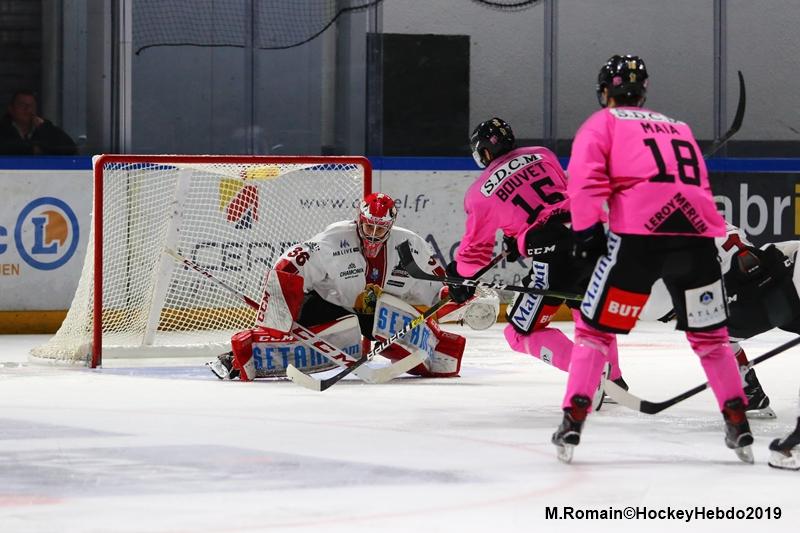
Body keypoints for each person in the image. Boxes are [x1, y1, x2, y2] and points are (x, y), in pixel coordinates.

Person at [554, 54, 752, 463]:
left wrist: (586, 234)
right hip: (696, 238)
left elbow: (585, 182)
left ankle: (573, 419)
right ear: (643, 92)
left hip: (638, 239)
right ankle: (737, 419)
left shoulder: (602, 123)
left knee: (594, 332)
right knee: (712, 339)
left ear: (605, 91)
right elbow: (699, 186)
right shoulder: (678, 126)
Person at [208, 191, 499, 381]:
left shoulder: (411, 246)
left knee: (440, 361)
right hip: (329, 307)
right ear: (359, 220)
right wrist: (278, 319)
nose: (373, 234)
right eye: (369, 226)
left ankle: (434, 350)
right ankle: (237, 358)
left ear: (390, 226)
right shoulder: (333, 240)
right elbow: (288, 266)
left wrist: (463, 294)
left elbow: (439, 291)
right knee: (320, 335)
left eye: (380, 228)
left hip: (382, 316)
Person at [449, 117, 624, 410]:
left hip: (555, 253)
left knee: (518, 333)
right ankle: (614, 380)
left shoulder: (479, 194)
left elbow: (474, 255)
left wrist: (459, 276)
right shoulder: (543, 154)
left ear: (484, 151)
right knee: (587, 311)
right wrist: (518, 237)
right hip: (592, 235)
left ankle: (590, 374)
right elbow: (558, 200)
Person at [640, 224, 800, 418]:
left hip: (748, 309)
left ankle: (748, 390)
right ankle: (749, 392)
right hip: (781, 291)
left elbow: (655, 309)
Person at [0, 90, 77, 155]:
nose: (28, 109)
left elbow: (70, 148)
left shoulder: (45, 127)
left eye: (32, 106)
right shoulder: (3, 128)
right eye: (22, 105)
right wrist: (31, 149)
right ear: (11, 109)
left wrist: (44, 127)